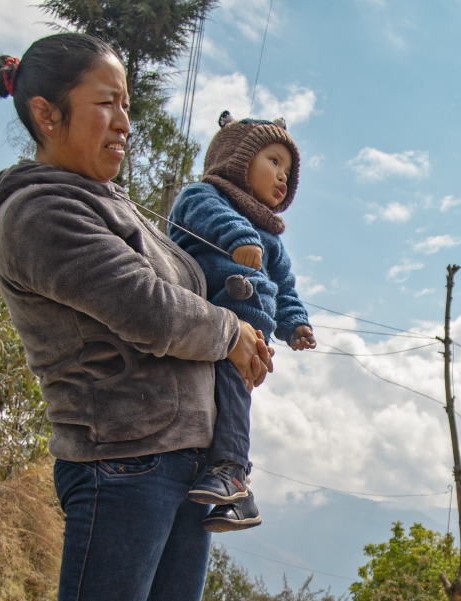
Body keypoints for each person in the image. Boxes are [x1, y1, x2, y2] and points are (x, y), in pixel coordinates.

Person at [0, 33, 273, 600]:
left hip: (179, 461)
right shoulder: (40, 212)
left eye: (127, 105)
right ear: (46, 113)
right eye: (105, 103)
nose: (123, 122)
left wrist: (244, 332)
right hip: (123, 463)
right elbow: (150, 310)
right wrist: (232, 332)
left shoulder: (106, 202)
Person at [168, 110, 316, 533]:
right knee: (223, 398)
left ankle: (234, 476)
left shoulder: (272, 239)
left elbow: (285, 287)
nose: (282, 177)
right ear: (236, 159)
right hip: (213, 321)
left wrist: (295, 324)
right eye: (273, 161)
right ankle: (235, 479)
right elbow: (211, 218)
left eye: (287, 171)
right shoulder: (202, 196)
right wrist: (240, 239)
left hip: (249, 338)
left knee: (232, 399)